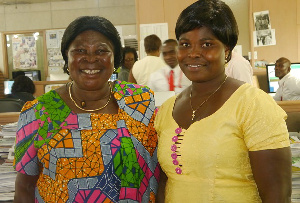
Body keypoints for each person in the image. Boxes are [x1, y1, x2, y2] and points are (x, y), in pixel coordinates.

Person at [155, 0, 291, 202]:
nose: (193, 53)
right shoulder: (167, 109)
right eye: (185, 44)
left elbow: (276, 195)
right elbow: (164, 183)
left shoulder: (253, 105)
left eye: (206, 44)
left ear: (227, 50)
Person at [13, 16, 159, 203]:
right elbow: (24, 187)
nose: (91, 59)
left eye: (102, 50)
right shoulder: (39, 112)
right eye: (80, 50)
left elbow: (160, 172)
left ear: (115, 58)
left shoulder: (140, 102)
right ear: (67, 56)